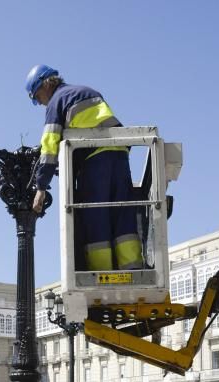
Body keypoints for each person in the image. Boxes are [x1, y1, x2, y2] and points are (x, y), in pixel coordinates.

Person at [26, 64, 143, 271]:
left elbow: (49, 147)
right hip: (120, 157)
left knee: (96, 217)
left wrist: (40, 187)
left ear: (44, 86)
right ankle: (132, 269)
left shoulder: (56, 102)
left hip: (94, 163)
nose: (40, 103)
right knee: (123, 215)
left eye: (37, 97)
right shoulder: (89, 91)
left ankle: (102, 274)